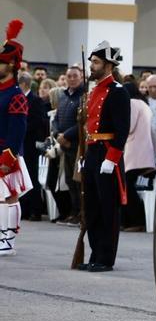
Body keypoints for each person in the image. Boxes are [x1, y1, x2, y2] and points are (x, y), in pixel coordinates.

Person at [80, 41, 130, 272]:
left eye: (96, 62)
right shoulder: (94, 91)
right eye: (91, 62)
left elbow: (122, 130)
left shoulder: (118, 92)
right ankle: (94, 253)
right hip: (92, 151)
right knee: (91, 206)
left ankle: (105, 258)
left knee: (107, 207)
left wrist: (112, 158)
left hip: (107, 152)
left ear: (109, 66)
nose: (92, 66)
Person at [0, 22, 30, 255]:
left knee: (8, 197)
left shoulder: (16, 95)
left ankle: (6, 240)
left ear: (11, 64)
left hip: (6, 151)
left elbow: (18, 128)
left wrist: (9, 155)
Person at [51, 65, 84, 223]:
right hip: (64, 143)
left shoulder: (84, 96)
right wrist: (58, 134)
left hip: (77, 144)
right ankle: (74, 210)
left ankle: (81, 213)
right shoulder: (63, 96)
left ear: (81, 77)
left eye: (75, 76)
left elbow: (83, 122)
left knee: (79, 181)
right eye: (69, 76)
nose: (71, 79)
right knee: (70, 180)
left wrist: (67, 135)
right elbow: (56, 118)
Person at [120, 82, 154, 232]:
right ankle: (131, 221)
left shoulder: (132, 103)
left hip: (134, 150)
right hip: (144, 150)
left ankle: (136, 221)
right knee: (128, 185)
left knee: (126, 186)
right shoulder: (145, 105)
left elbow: (129, 125)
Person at [18, 70, 45, 222]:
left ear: (23, 84)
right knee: (22, 176)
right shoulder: (19, 98)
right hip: (21, 144)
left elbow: (39, 121)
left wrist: (21, 127)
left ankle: (36, 210)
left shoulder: (35, 100)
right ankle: (25, 209)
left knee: (32, 177)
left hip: (30, 143)